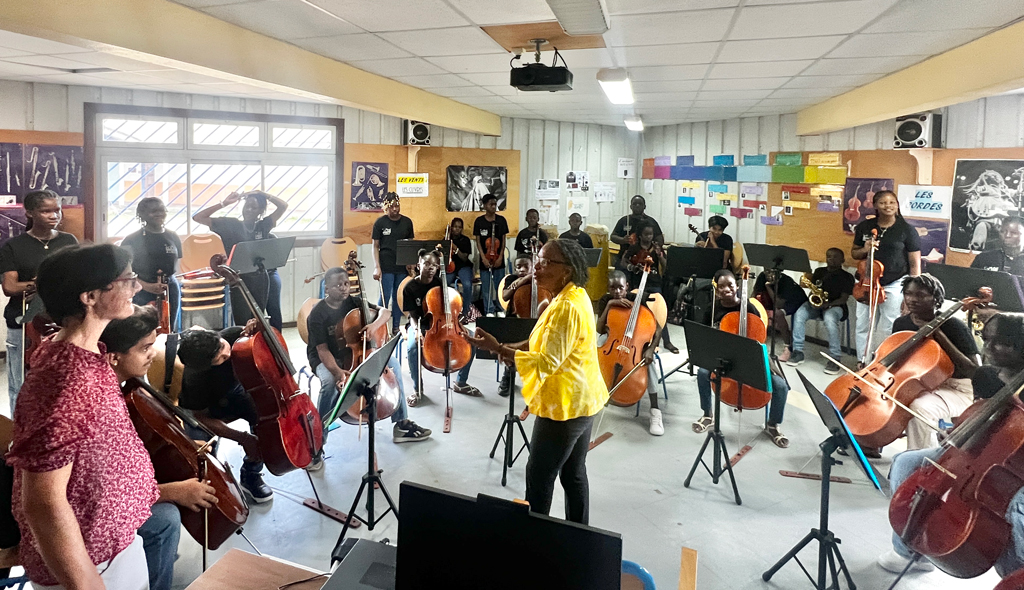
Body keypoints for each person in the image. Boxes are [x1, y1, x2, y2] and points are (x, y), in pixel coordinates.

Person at [7, 244, 157, 589]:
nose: (137, 286)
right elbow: (43, 502)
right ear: (90, 296)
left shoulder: (88, 353)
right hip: (92, 557)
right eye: (127, 279)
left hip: (111, 540)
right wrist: (85, 584)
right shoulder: (68, 381)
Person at [468, 239, 609, 524]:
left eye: (545, 263)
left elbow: (546, 362)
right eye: (538, 260)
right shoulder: (574, 295)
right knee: (574, 474)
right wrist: (506, 346)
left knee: (539, 478)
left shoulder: (566, 308)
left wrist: (499, 350)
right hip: (585, 401)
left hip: (564, 408)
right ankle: (580, 535)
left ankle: (536, 543)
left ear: (566, 271)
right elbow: (540, 342)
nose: (536, 268)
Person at [877, 312, 1024, 576]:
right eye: (985, 340)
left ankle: (1013, 577)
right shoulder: (989, 377)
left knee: (1014, 509)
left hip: (1016, 469)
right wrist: (960, 432)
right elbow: (986, 418)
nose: (987, 348)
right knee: (906, 461)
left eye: (998, 343)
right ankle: (909, 550)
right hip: (982, 455)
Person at [100, 305, 219, 590]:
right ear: (114, 356)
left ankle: (155, 560)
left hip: (118, 492)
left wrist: (182, 446)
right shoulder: (104, 405)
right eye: (144, 348)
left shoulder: (122, 387)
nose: (153, 354)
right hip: (96, 516)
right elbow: (110, 492)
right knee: (165, 520)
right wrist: (174, 491)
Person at [307, 267, 431, 443]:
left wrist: (374, 326)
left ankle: (401, 423)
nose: (343, 288)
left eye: (346, 284)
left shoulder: (353, 302)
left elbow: (385, 312)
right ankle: (318, 438)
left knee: (393, 365)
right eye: (337, 285)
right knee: (328, 384)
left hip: (352, 350)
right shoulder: (317, 314)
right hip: (326, 358)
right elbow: (322, 350)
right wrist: (337, 372)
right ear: (326, 289)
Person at [177, 320, 282, 504]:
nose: (227, 353)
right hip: (206, 407)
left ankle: (251, 474)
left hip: (236, 392)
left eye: (222, 346)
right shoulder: (195, 379)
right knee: (202, 447)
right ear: (205, 366)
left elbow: (269, 347)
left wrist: (261, 332)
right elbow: (202, 417)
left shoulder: (235, 336)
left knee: (263, 418)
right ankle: (215, 478)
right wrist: (242, 438)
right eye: (221, 359)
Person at [692, 269, 790, 448]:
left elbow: (758, 339)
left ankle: (773, 425)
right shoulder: (712, 310)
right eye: (721, 286)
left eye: (729, 285)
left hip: (750, 358)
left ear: (737, 286)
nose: (726, 289)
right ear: (716, 290)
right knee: (702, 373)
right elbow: (705, 338)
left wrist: (767, 365)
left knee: (781, 386)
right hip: (723, 358)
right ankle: (708, 414)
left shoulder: (749, 308)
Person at [0, 189, 78, 412]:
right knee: (21, 384)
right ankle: (19, 435)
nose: (55, 215)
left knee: (61, 381)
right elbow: (10, 287)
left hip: (61, 323)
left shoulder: (68, 240)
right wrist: (39, 283)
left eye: (57, 210)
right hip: (23, 324)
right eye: (47, 211)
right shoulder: (14, 246)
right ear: (30, 213)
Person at [891, 274, 980, 450]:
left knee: (919, 408)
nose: (912, 299)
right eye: (908, 294)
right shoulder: (901, 324)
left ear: (936, 299)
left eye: (921, 295)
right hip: (920, 383)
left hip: (958, 389)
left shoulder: (953, 325)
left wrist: (938, 334)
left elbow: (976, 370)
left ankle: (920, 462)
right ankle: (871, 440)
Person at [192, 189, 289, 330]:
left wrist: (263, 194)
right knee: (242, 323)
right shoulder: (230, 224)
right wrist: (224, 203)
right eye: (246, 206)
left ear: (261, 211)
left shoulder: (263, 225)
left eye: (253, 207)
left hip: (260, 278)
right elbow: (198, 217)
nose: (248, 210)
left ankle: (257, 349)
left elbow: (283, 206)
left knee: (258, 320)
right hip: (238, 279)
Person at [851, 189, 921, 366]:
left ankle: (881, 362)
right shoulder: (865, 227)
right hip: (865, 282)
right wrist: (866, 249)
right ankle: (863, 362)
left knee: (888, 325)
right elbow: (854, 253)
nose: (887, 206)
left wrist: (912, 291)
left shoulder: (906, 230)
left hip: (895, 283)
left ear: (897, 205)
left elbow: (914, 263)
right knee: (863, 324)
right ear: (875, 205)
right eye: (883, 202)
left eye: (891, 202)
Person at [403, 249, 480, 401]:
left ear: (438, 267)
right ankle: (417, 389)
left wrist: (459, 324)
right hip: (420, 323)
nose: (430, 267)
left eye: (434, 265)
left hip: (444, 322)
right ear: (419, 265)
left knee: (472, 339)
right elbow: (412, 315)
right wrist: (417, 330)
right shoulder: (409, 288)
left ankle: (461, 382)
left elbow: (449, 307)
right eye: (426, 264)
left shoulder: (440, 282)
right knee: (413, 348)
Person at [596, 271, 667, 436]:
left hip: (635, 341)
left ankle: (655, 411)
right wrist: (610, 305)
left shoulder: (638, 299)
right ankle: (598, 389)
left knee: (648, 363)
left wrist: (650, 349)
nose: (617, 292)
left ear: (627, 286)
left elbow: (657, 329)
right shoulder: (606, 300)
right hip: (615, 339)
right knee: (599, 345)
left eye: (620, 288)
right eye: (612, 288)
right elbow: (600, 329)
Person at [120, 197, 182, 332]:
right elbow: (122, 270)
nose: (159, 214)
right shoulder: (131, 240)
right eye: (153, 211)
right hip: (140, 288)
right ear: (141, 214)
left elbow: (177, 264)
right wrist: (146, 286)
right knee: (141, 330)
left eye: (162, 210)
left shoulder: (173, 236)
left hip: (169, 287)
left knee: (169, 329)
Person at [789, 248, 855, 374]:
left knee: (829, 319)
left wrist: (827, 304)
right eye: (829, 256)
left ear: (843, 260)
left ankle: (835, 358)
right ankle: (798, 351)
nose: (831, 259)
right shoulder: (819, 272)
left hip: (836, 307)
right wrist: (812, 302)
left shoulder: (846, 277)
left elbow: (843, 299)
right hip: (817, 305)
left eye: (835, 257)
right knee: (800, 313)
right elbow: (812, 290)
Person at [618, 221, 678, 353]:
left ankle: (666, 341)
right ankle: (636, 339)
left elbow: (665, 264)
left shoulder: (656, 248)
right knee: (637, 311)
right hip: (638, 283)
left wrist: (659, 255)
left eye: (651, 234)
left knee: (660, 310)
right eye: (646, 234)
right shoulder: (634, 248)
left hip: (654, 282)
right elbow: (623, 261)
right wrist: (632, 267)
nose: (649, 237)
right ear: (640, 235)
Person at [371, 192, 415, 332]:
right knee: (384, 297)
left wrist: (411, 263)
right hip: (386, 266)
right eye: (392, 207)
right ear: (386, 208)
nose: (395, 209)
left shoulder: (407, 222)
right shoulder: (380, 223)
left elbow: (410, 244)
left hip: (402, 267)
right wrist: (377, 267)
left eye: (397, 206)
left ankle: (396, 327)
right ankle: (379, 328)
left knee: (398, 297)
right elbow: (375, 246)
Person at [753, 268, 808, 362]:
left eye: (772, 272)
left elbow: (778, 304)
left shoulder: (786, 281)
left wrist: (768, 287)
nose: (768, 275)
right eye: (766, 271)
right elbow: (754, 294)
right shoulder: (762, 276)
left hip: (795, 301)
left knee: (778, 314)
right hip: (775, 299)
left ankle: (788, 347)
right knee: (753, 307)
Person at [473, 194, 509, 316]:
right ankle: (489, 310)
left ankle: (500, 308)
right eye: (491, 204)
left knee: (500, 285)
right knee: (486, 285)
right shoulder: (479, 221)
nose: (494, 207)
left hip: (499, 257)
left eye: (495, 204)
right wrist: (483, 257)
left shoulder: (501, 220)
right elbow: (478, 241)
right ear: (484, 206)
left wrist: (500, 257)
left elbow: (503, 241)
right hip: (485, 258)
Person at [611, 195, 664, 265]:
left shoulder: (651, 222)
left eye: (640, 204)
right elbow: (613, 236)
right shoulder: (624, 220)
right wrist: (623, 240)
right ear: (630, 206)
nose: (637, 206)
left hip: (647, 259)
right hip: (626, 257)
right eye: (635, 204)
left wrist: (650, 245)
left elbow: (660, 239)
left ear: (644, 206)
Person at [446, 217, 475, 319]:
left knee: (467, 284)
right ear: (451, 228)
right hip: (450, 268)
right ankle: (448, 310)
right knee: (443, 283)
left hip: (463, 267)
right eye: (455, 227)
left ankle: (466, 312)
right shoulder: (446, 240)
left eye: (459, 227)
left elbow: (464, 258)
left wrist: (455, 248)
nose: (457, 229)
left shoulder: (465, 240)